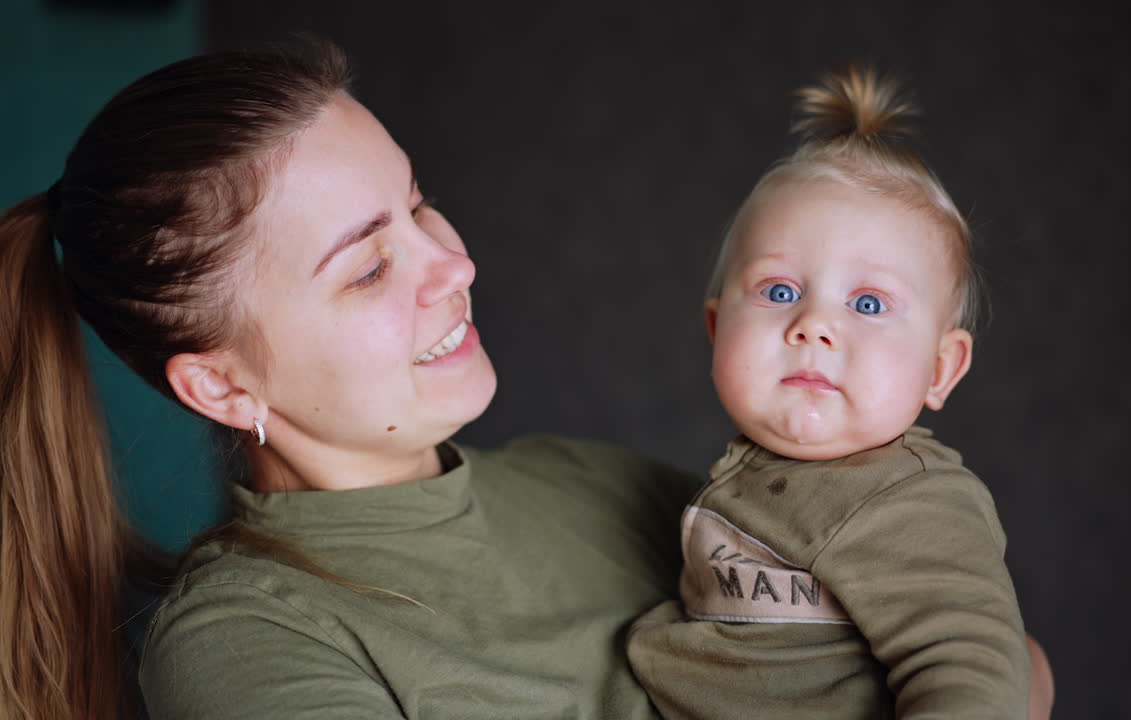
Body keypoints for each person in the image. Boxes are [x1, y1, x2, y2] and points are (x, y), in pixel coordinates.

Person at [0, 44, 1053, 719]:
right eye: (368, 267)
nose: (452, 265)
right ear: (223, 388)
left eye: (419, 205)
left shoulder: (598, 486)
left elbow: (989, 649)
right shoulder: (248, 643)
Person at [627, 67, 1032, 718]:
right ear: (717, 329)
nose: (813, 325)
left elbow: (971, 666)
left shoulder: (910, 501)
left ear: (940, 369)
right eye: (779, 291)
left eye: (868, 303)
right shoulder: (751, 481)